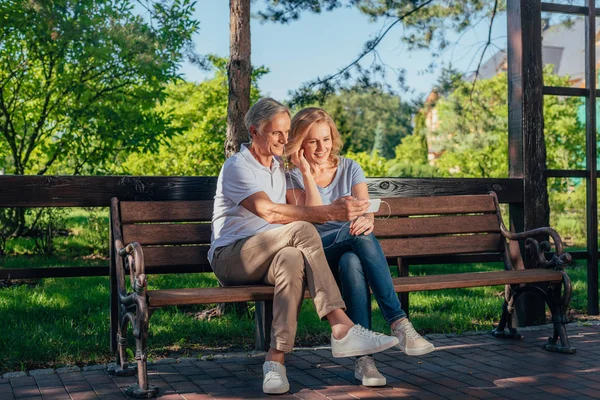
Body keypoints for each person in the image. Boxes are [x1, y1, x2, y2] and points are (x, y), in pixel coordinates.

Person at [209, 98, 399, 395]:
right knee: (301, 230)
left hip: (271, 254)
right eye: (276, 133)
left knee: (292, 259)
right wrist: (328, 213)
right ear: (254, 130)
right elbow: (270, 212)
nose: (284, 140)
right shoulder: (238, 167)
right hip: (233, 257)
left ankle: (275, 361)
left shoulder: (277, 168)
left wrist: (307, 174)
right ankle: (340, 325)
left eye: (287, 133)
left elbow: (297, 215)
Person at [285, 107, 435, 387]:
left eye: (326, 139)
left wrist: (367, 220)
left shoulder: (350, 167)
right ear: (300, 142)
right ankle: (399, 323)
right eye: (313, 141)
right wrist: (306, 172)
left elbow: (366, 211)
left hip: (350, 245)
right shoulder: (291, 176)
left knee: (352, 261)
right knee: (356, 238)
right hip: (317, 255)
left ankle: (364, 361)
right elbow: (315, 215)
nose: (321, 147)